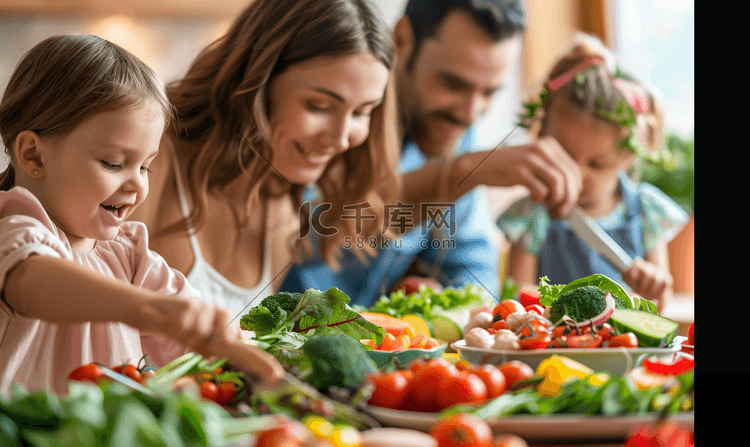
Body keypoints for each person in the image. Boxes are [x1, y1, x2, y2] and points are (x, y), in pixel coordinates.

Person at [0, 34, 283, 396]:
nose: (136, 185)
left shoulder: (129, 255)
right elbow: (31, 281)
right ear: (33, 156)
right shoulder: (14, 227)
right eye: (114, 163)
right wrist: (153, 311)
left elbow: (196, 328)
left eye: (146, 166)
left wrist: (242, 351)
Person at [281, 0, 583, 306]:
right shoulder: (330, 106)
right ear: (401, 39)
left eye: (489, 92)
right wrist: (459, 173)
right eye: (452, 83)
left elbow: (469, 267)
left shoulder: (453, 127)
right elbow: (298, 236)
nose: (470, 112)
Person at [128, 0, 400, 323]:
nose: (341, 138)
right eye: (319, 106)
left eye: (361, 112)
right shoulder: (154, 158)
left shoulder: (285, 206)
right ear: (258, 81)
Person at [496, 33, 689, 309]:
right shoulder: (533, 215)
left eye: (596, 165)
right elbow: (512, 303)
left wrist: (656, 287)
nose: (576, 173)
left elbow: (658, 306)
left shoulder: (646, 212)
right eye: (564, 154)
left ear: (628, 159)